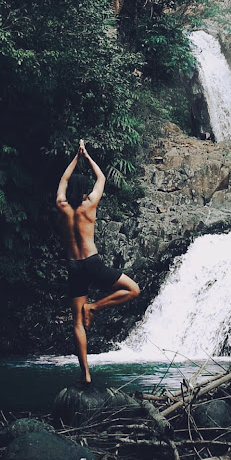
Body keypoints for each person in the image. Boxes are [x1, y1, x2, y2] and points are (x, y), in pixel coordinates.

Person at [56, 140, 140, 384]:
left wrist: (74, 157)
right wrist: (87, 155)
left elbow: (63, 180)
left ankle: (86, 374)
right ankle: (95, 308)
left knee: (76, 323)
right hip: (92, 263)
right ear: (84, 192)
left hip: (73, 266)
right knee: (133, 290)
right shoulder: (89, 204)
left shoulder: (62, 205)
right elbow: (101, 178)